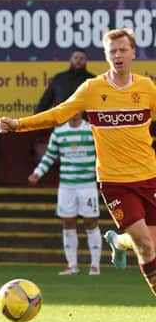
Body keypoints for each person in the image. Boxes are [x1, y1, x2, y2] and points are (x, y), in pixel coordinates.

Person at [0, 28, 156, 297]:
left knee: (149, 242)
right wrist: (18, 125)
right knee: (145, 245)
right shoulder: (92, 89)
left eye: (122, 50)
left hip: (149, 176)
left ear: (133, 53)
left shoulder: (147, 88)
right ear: (106, 56)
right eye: (112, 51)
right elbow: (58, 114)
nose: (117, 55)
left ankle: (118, 241)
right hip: (115, 180)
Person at [28, 112, 102, 276]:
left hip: (87, 185)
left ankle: (95, 265)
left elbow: (102, 153)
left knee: (90, 221)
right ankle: (72, 265)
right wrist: (38, 173)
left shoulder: (91, 130)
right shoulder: (59, 132)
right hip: (67, 186)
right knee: (68, 222)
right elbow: (49, 155)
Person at [35, 49, 95, 114]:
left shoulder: (92, 80)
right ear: (70, 59)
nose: (78, 60)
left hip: (84, 122)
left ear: (86, 61)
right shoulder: (59, 78)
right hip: (61, 120)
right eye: (75, 58)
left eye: (81, 58)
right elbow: (45, 102)